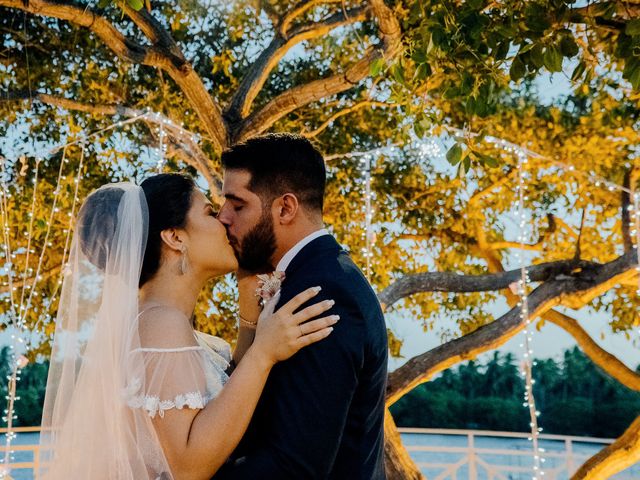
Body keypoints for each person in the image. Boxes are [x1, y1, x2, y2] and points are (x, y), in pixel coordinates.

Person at [38, 174, 337, 479]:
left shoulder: (160, 321)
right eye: (209, 212)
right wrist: (264, 353)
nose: (224, 219)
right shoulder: (160, 325)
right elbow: (188, 467)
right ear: (175, 238)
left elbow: (219, 410)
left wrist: (250, 316)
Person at [214, 133, 388, 479]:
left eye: (237, 205)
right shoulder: (312, 275)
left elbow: (294, 466)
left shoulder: (322, 291)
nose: (222, 217)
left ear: (285, 208)